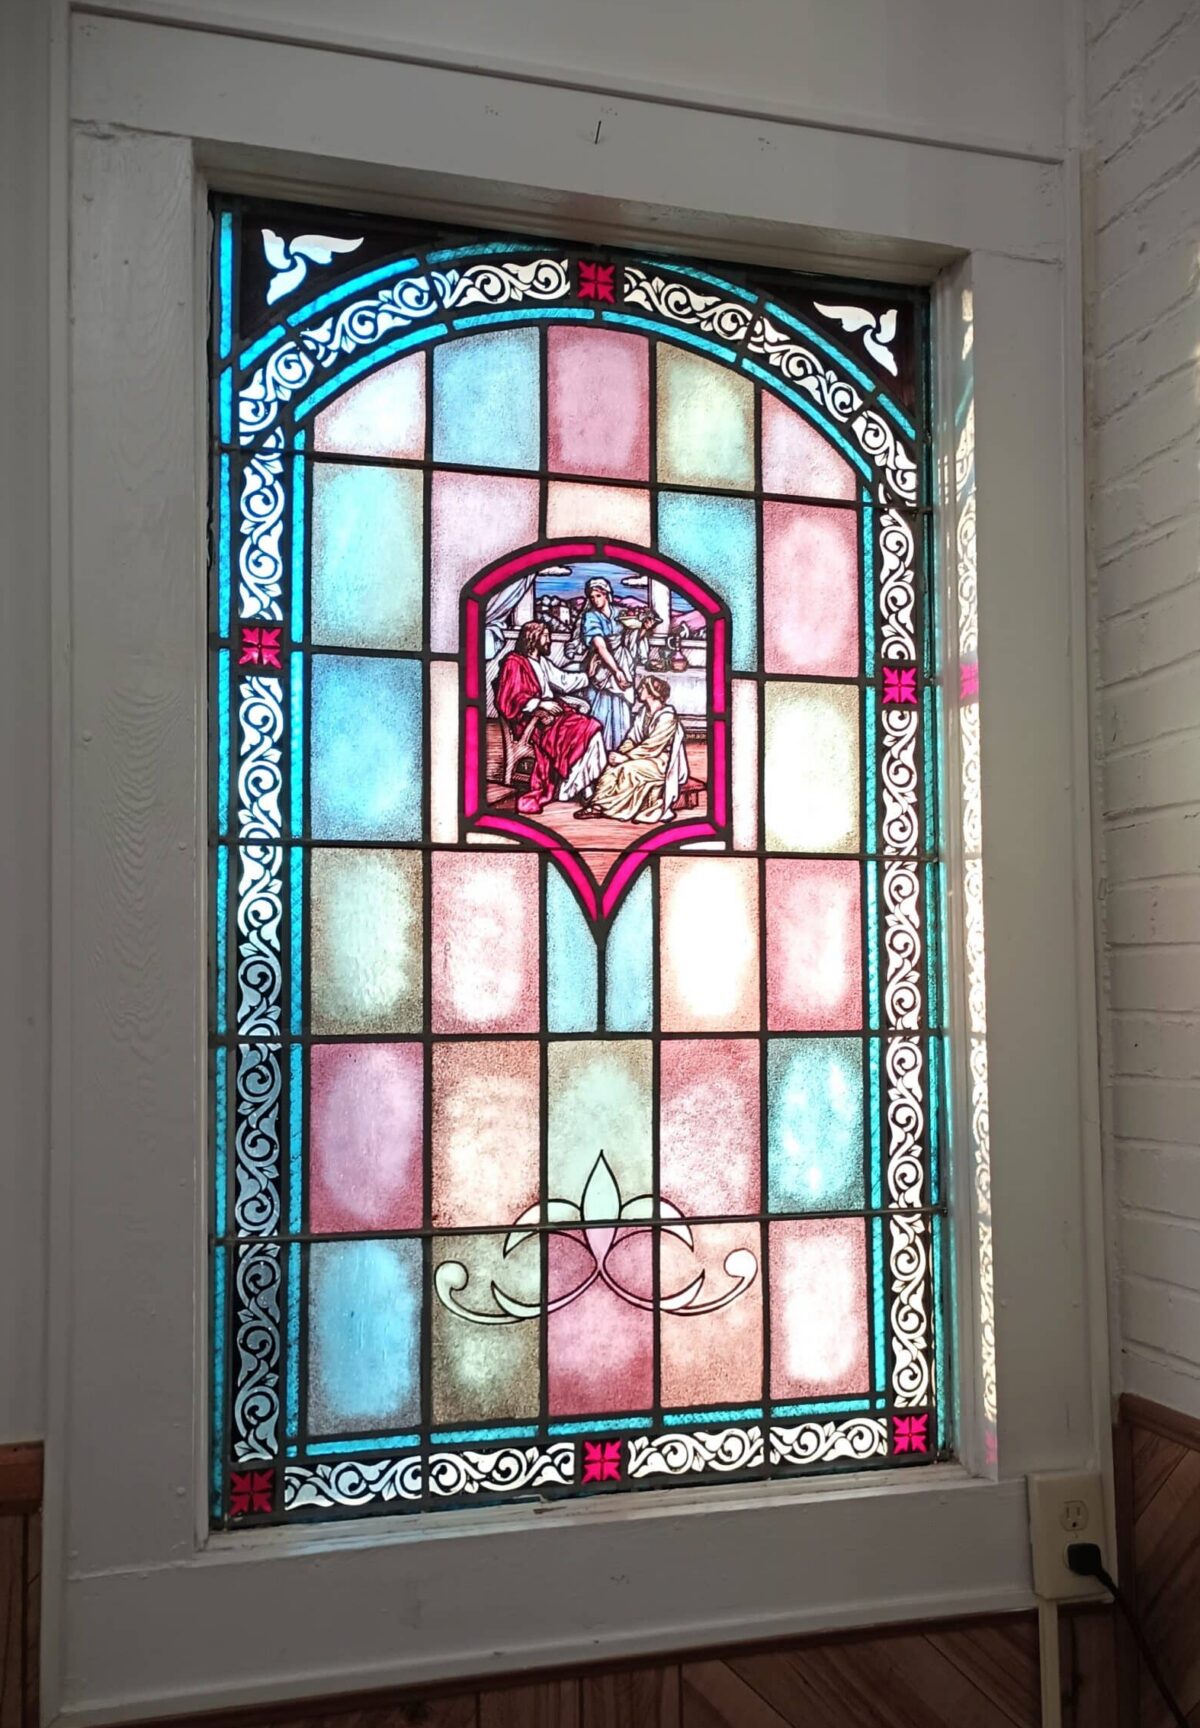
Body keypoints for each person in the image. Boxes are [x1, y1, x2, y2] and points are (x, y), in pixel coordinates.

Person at [494, 620, 607, 816]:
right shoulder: (514, 662)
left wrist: (587, 676)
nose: (549, 640)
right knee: (586, 728)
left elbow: (563, 681)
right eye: (545, 636)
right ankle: (576, 788)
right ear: (533, 637)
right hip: (531, 722)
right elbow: (509, 697)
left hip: (552, 717)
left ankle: (583, 784)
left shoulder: (542, 662)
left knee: (591, 728)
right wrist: (539, 704)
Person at [574, 675, 688, 824]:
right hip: (642, 757)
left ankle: (609, 808)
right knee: (613, 767)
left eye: (643, 687)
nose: (638, 690)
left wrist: (626, 758)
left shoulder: (668, 717)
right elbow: (632, 738)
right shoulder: (643, 712)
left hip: (661, 762)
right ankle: (597, 805)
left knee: (628, 769)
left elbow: (653, 745)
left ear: (652, 692)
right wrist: (621, 754)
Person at [580, 578, 653, 751]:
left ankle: (621, 749)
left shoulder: (620, 613)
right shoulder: (590, 616)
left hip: (623, 660)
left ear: (607, 595)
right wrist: (616, 671)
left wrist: (644, 629)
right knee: (601, 708)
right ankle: (598, 752)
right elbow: (601, 647)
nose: (595, 600)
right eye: (592, 597)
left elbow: (631, 639)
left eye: (598, 595)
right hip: (602, 665)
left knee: (622, 707)